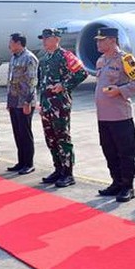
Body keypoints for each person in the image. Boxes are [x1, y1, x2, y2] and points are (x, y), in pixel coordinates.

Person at [93, 27, 135, 202]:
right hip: (103, 116)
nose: (98, 43)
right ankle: (116, 182)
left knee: (125, 152)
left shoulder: (126, 59)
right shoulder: (101, 61)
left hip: (120, 116)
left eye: (101, 40)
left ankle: (127, 186)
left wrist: (120, 90)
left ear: (112, 40)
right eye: (98, 40)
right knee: (109, 150)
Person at [37, 28, 88, 187]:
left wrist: (64, 86)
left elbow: (82, 73)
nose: (44, 41)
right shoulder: (44, 59)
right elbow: (41, 83)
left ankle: (68, 173)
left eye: (47, 38)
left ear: (56, 39)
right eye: (43, 38)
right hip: (46, 105)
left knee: (62, 138)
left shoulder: (65, 55)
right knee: (50, 138)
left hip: (60, 103)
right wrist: (41, 102)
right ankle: (58, 169)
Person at [5, 32, 39, 175]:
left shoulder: (29, 58)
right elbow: (10, 81)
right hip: (14, 101)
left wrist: (27, 102)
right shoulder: (14, 58)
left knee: (25, 133)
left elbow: (32, 82)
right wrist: (8, 101)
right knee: (17, 133)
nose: (9, 45)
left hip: (24, 102)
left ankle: (29, 163)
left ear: (18, 43)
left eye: (11, 42)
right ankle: (21, 162)